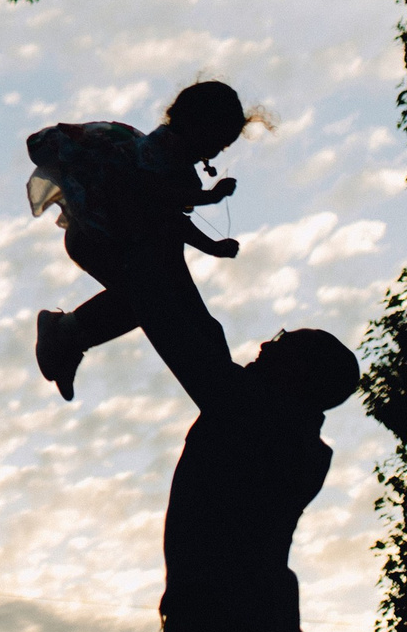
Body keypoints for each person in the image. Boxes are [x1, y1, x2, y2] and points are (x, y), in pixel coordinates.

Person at [142, 296, 361, 632]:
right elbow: (198, 328)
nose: (264, 344)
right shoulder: (289, 434)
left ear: (299, 374)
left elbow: (168, 319)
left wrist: (140, 252)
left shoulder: (255, 414)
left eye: (282, 343)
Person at [28, 80, 254, 402]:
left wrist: (211, 246)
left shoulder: (175, 168)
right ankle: (64, 334)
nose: (215, 151)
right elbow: (151, 193)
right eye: (215, 140)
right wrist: (207, 197)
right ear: (192, 123)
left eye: (223, 145)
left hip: (135, 249)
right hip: (103, 242)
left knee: (165, 313)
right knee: (168, 312)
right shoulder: (152, 151)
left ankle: (67, 337)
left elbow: (174, 220)